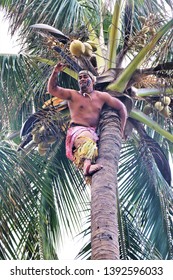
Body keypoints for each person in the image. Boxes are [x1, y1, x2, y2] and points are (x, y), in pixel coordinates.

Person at [47, 62, 127, 177]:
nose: (82, 79)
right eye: (79, 78)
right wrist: (55, 73)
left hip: (94, 133)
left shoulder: (101, 96)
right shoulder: (72, 95)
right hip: (78, 131)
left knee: (99, 157)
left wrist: (121, 130)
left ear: (93, 81)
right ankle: (87, 167)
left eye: (85, 77)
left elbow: (121, 107)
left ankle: (92, 172)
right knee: (88, 139)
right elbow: (52, 89)